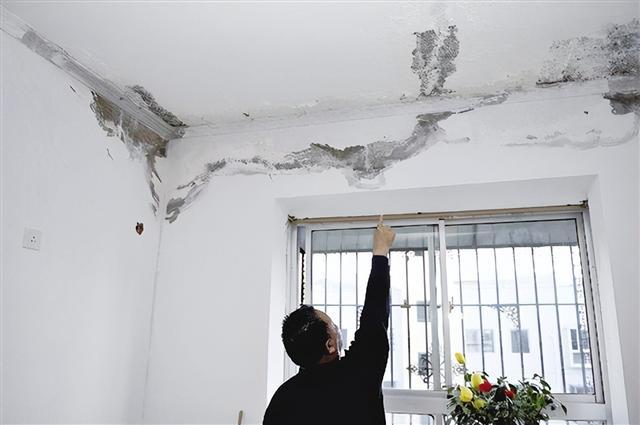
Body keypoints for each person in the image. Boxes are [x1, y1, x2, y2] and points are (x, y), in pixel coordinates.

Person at [263, 216, 395, 425]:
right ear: (330, 345)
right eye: (333, 326)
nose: (337, 328)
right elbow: (374, 317)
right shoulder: (358, 375)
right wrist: (381, 250)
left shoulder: (283, 400)